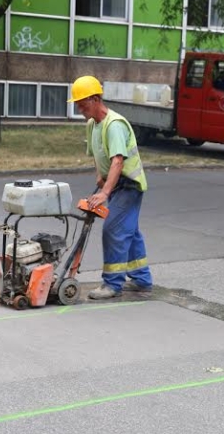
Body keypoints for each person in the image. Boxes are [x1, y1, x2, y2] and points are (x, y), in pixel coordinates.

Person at [67, 75, 153, 299]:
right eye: (77, 104)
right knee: (129, 232)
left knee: (113, 230)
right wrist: (100, 178)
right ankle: (142, 279)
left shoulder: (114, 125)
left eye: (83, 104)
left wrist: (105, 192)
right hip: (116, 184)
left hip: (129, 185)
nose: (80, 108)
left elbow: (118, 160)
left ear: (95, 99)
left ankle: (112, 284)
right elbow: (98, 155)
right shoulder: (92, 125)